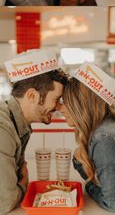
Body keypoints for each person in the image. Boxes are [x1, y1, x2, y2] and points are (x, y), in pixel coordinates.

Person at [0, 49, 67, 214]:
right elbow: (5, 201)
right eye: (56, 99)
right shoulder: (3, 130)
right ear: (32, 95)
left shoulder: (17, 123)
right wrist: (23, 184)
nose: (59, 107)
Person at [59, 63, 115, 212]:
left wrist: (88, 185)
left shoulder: (103, 139)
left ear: (81, 104)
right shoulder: (102, 130)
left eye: (65, 101)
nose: (60, 108)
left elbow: (112, 203)